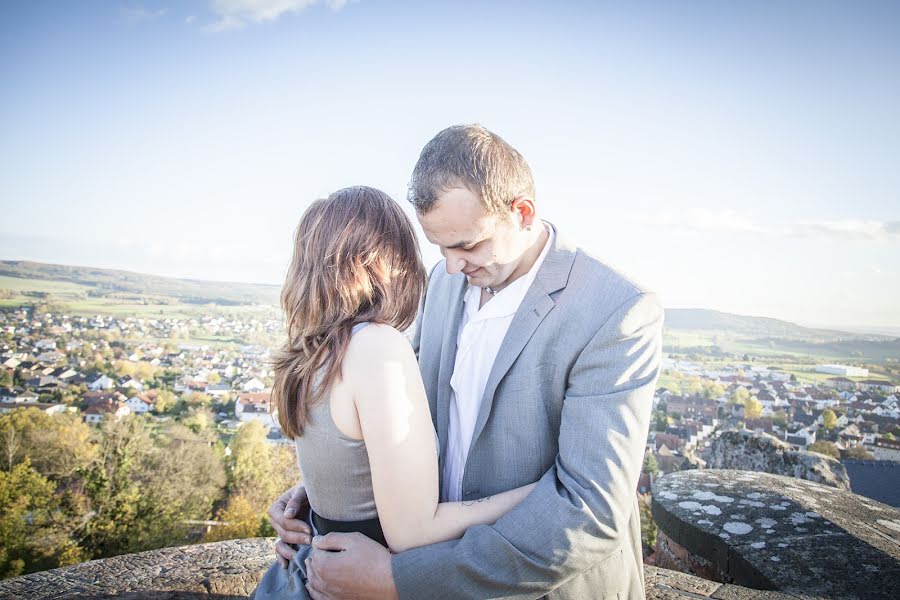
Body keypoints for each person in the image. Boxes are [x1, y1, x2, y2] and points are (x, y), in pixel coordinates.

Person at [269, 125, 663, 599]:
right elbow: (390, 416)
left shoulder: (615, 312)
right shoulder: (444, 282)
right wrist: (329, 488)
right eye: (439, 246)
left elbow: (591, 513)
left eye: (467, 245)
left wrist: (400, 580)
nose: (452, 265)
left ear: (521, 212)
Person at [251, 186, 538, 599]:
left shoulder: (309, 353)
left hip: (311, 567)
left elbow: (341, 464)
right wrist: (534, 495)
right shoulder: (376, 346)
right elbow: (413, 531)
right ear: (383, 263)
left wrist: (307, 498)